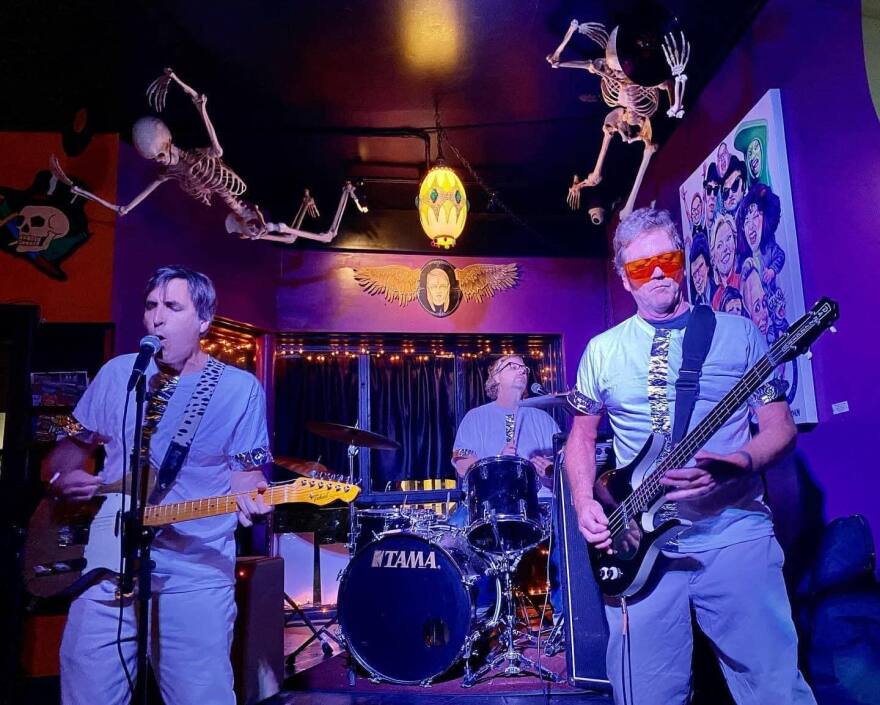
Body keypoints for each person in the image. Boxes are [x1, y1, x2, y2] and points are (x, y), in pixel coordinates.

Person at [564, 208, 815, 705]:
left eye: (666, 259)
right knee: (648, 696)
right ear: (624, 278)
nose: (657, 273)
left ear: (680, 260)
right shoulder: (602, 351)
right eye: (641, 267)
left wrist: (739, 463)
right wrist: (581, 499)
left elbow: (780, 427)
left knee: (774, 689)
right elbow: (580, 436)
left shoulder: (740, 333)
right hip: (642, 546)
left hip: (735, 532)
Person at [49, 265, 272, 705]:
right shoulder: (117, 374)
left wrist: (254, 493)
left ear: (203, 321)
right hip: (106, 567)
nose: (157, 318)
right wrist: (62, 480)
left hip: (195, 572)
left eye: (173, 307)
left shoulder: (238, 388)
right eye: (151, 306)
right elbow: (66, 453)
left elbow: (246, 474)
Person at [451, 355, 562, 615]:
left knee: (570, 526)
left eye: (523, 366)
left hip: (540, 503)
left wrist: (547, 469)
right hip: (490, 505)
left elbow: (564, 467)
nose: (521, 370)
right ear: (495, 378)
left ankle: (563, 615)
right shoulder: (475, 417)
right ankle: (480, 609)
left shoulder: (543, 419)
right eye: (512, 366)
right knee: (457, 529)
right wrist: (496, 465)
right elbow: (462, 463)